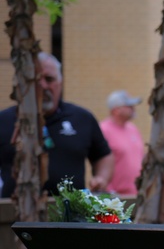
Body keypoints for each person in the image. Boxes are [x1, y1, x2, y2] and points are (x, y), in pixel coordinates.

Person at [0, 52, 113, 197]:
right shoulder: (3, 120)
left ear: (60, 83)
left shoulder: (82, 118)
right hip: (16, 213)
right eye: (35, 79)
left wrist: (101, 178)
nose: (42, 85)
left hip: (70, 214)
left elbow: (103, 156)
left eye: (49, 79)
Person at [99, 90, 145, 196]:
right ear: (116, 110)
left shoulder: (133, 129)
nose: (133, 109)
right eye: (128, 106)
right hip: (115, 196)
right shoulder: (104, 130)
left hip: (136, 193)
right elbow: (99, 161)